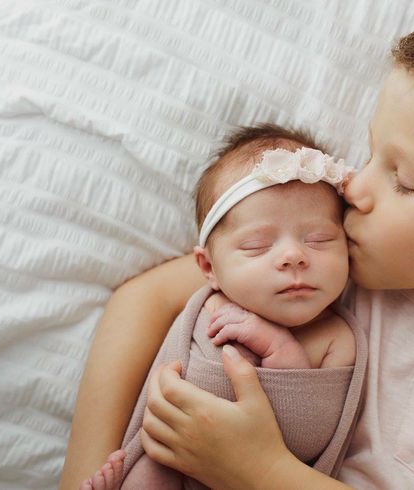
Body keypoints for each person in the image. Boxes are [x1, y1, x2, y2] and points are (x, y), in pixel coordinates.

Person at [61, 11, 414, 490]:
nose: (354, 188)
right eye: (369, 155)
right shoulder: (328, 264)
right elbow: (141, 301)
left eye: (403, 180)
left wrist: (260, 470)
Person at [78, 125, 367, 489]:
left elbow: (307, 437)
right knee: (147, 471)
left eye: (320, 239)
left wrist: (278, 347)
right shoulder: (203, 306)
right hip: (169, 459)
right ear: (209, 268)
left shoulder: (335, 337)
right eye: (258, 246)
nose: (293, 256)